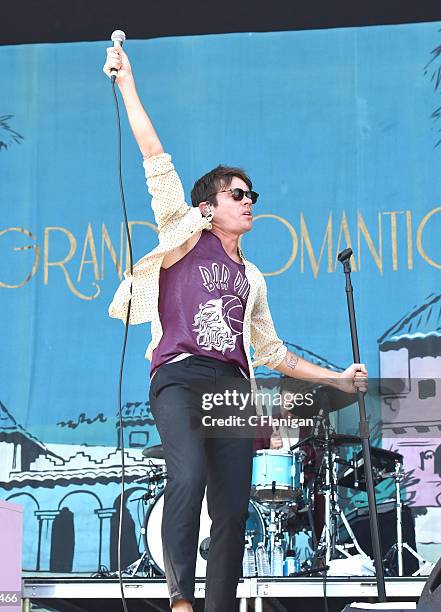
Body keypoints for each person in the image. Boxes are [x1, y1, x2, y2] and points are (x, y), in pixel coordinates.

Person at [103, 45, 368, 612]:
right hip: (178, 375)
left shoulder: (252, 275)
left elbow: (272, 351)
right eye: (238, 195)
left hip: (231, 385)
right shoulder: (183, 234)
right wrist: (127, 83)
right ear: (209, 204)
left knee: (232, 509)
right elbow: (155, 156)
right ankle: (179, 600)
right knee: (189, 473)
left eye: (252, 196)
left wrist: (339, 381)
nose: (250, 203)